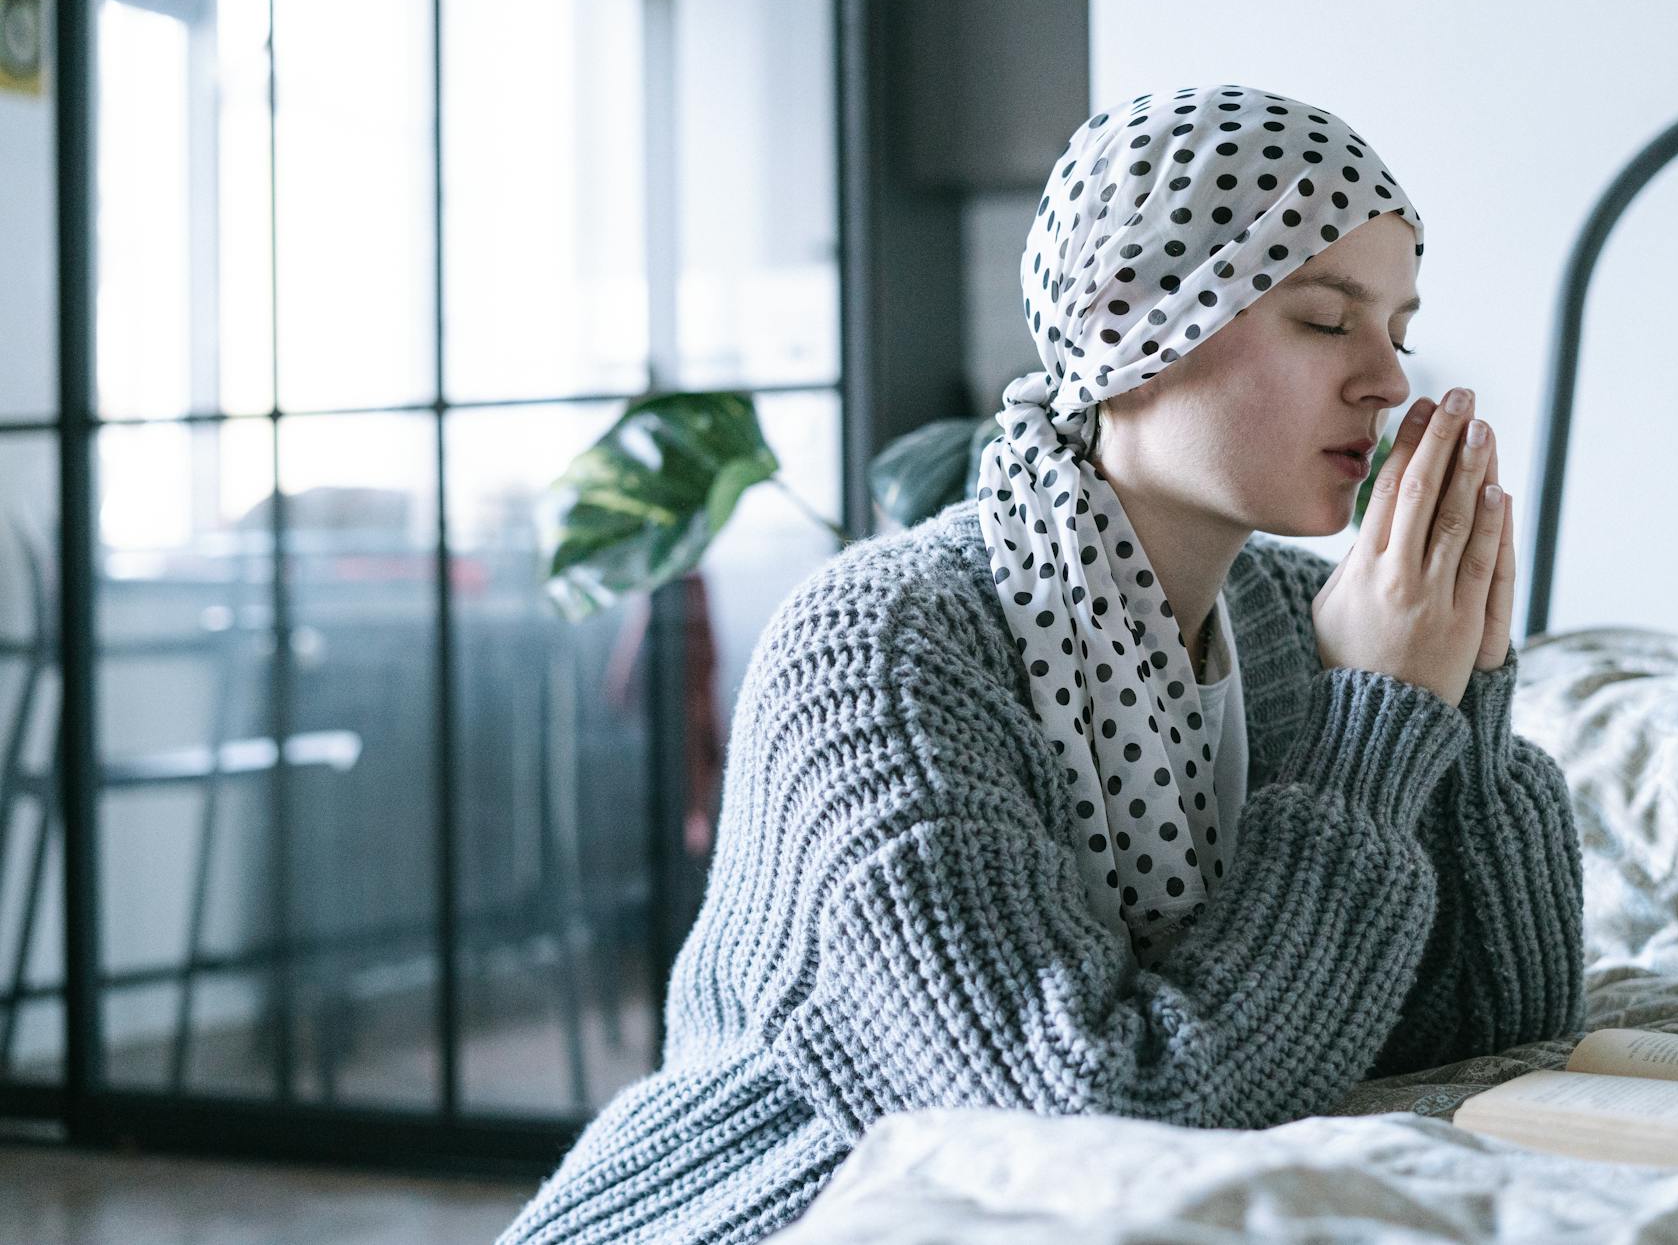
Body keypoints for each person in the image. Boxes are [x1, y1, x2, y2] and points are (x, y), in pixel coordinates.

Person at [497, 84, 1585, 1245]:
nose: (1387, 381)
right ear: (1132, 322)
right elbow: (1094, 1127)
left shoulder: (1295, 620)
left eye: (1398, 331)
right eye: (1325, 320)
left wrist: (1459, 689)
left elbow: (1490, 1023)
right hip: (762, 1216)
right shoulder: (887, 649)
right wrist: (1369, 732)